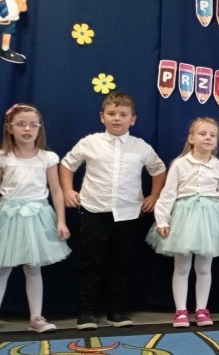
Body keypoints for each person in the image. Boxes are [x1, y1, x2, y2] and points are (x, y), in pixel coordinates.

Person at [60, 91, 166, 330]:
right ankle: (86, 312)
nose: (117, 118)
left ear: (133, 119)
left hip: (128, 214)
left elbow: (159, 170)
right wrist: (67, 190)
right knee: (90, 263)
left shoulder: (141, 147)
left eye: (123, 114)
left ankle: (116, 311)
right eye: (111, 113)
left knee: (121, 264)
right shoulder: (90, 143)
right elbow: (67, 164)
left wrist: (154, 195)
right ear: (102, 116)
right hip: (94, 211)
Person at [146, 117, 219, 328]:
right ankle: (181, 311)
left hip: (208, 219)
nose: (208, 138)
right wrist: (162, 220)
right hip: (183, 217)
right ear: (191, 138)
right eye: (202, 134)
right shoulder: (180, 164)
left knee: (204, 267)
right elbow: (168, 193)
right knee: (182, 267)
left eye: (212, 135)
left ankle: (201, 309)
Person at [0, 104, 70, 332]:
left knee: (33, 268)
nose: (27, 129)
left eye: (33, 124)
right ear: (9, 128)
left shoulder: (47, 158)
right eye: (21, 124)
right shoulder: (3, 158)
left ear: (40, 128)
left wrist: (61, 221)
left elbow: (57, 191)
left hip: (37, 217)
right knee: (3, 268)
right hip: (8, 216)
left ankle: (36, 318)